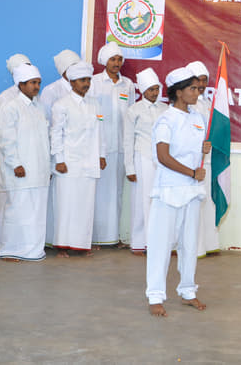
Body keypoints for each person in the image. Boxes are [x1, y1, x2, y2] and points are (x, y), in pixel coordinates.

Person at [146, 67, 211, 317]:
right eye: (193, 88)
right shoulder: (165, 120)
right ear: (179, 92)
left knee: (189, 244)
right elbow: (163, 156)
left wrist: (204, 148)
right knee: (161, 245)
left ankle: (188, 291)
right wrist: (191, 173)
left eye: (198, 88)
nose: (197, 92)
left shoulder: (197, 118)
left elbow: (194, 151)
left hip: (192, 192)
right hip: (169, 190)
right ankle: (155, 295)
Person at [49, 61, 106, 257]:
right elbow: (56, 133)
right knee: (66, 205)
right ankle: (62, 246)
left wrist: (102, 154)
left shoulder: (95, 104)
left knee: (85, 205)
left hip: (90, 162)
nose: (86, 84)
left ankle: (82, 245)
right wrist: (59, 159)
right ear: (72, 82)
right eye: (82, 80)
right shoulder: (61, 105)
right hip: (69, 163)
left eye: (88, 80)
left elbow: (101, 132)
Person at [0, 64, 50, 261]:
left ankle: (34, 250)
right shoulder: (10, 107)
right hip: (20, 170)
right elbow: (6, 139)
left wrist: (48, 165)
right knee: (17, 212)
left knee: (36, 214)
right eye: (33, 83)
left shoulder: (39, 107)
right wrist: (15, 163)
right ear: (20, 84)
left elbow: (44, 140)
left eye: (38, 83)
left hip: (39, 170)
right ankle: (9, 250)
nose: (37, 87)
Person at [89, 42, 135, 248]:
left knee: (116, 192)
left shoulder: (128, 85)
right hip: (101, 146)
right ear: (104, 61)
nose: (116, 63)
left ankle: (113, 238)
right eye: (112, 59)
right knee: (98, 192)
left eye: (119, 59)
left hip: (121, 146)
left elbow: (132, 115)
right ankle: (94, 238)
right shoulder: (94, 82)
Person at [40, 49, 82, 248]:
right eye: (72, 67)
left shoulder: (83, 90)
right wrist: (54, 156)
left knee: (73, 200)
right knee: (56, 198)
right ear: (64, 70)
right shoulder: (51, 90)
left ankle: (72, 240)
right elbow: (47, 123)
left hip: (77, 153)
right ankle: (52, 239)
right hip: (57, 152)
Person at [123, 68, 167, 254]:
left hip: (163, 161)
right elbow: (127, 140)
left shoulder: (165, 109)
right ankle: (140, 242)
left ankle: (158, 242)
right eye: (151, 89)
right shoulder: (134, 110)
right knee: (142, 201)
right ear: (142, 90)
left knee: (160, 201)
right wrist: (129, 167)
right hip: (142, 158)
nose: (155, 93)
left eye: (157, 89)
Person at [0, 54, 31, 247]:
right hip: (7, 157)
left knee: (22, 201)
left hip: (26, 157)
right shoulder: (5, 97)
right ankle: (4, 242)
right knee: (7, 201)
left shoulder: (33, 97)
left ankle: (22, 240)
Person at [186, 60, 221, 257]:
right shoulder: (186, 105)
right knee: (194, 203)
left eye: (204, 80)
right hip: (191, 162)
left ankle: (208, 244)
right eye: (198, 80)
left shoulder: (207, 104)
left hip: (207, 160)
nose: (201, 84)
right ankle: (194, 248)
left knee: (207, 201)